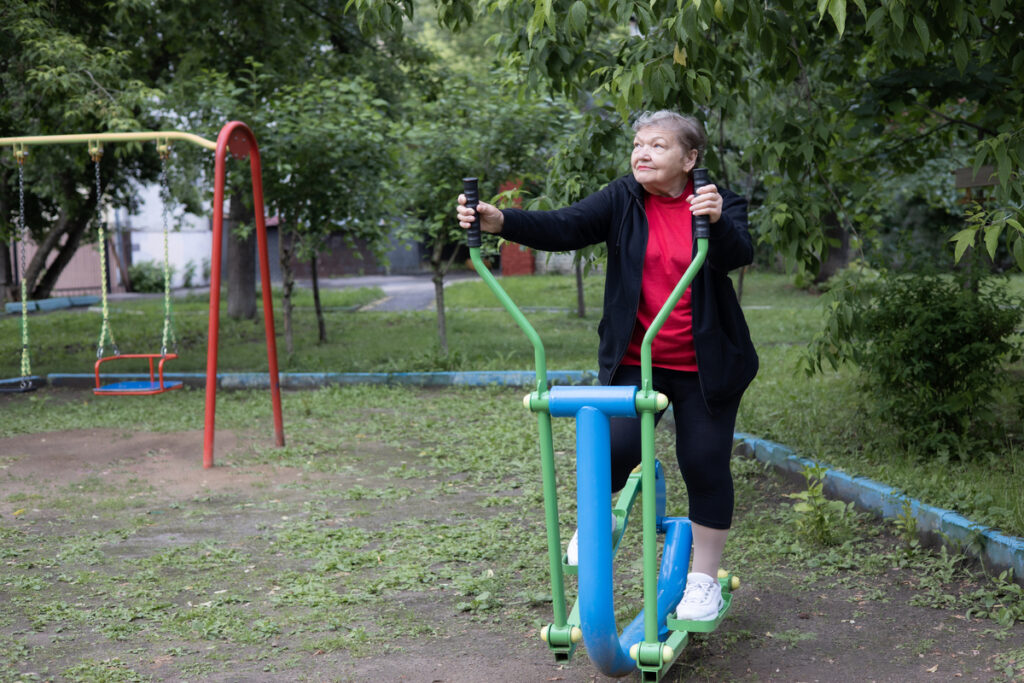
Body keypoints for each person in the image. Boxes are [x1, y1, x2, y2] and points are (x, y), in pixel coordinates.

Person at [456, 110, 758, 621]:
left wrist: (716, 221)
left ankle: (703, 581)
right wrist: (501, 221)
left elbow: (737, 254)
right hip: (637, 360)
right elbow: (566, 225)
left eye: (658, 145)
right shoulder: (624, 197)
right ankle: (600, 522)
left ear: (690, 158)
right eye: (638, 144)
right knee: (613, 449)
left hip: (706, 366)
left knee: (704, 462)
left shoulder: (717, 201)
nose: (643, 153)